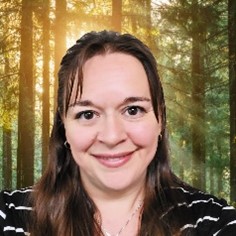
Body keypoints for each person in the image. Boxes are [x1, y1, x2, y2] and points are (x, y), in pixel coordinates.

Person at [0, 30, 236, 236]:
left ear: (160, 119)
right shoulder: (8, 218)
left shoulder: (215, 223)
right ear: (64, 127)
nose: (112, 137)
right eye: (88, 114)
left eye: (133, 110)